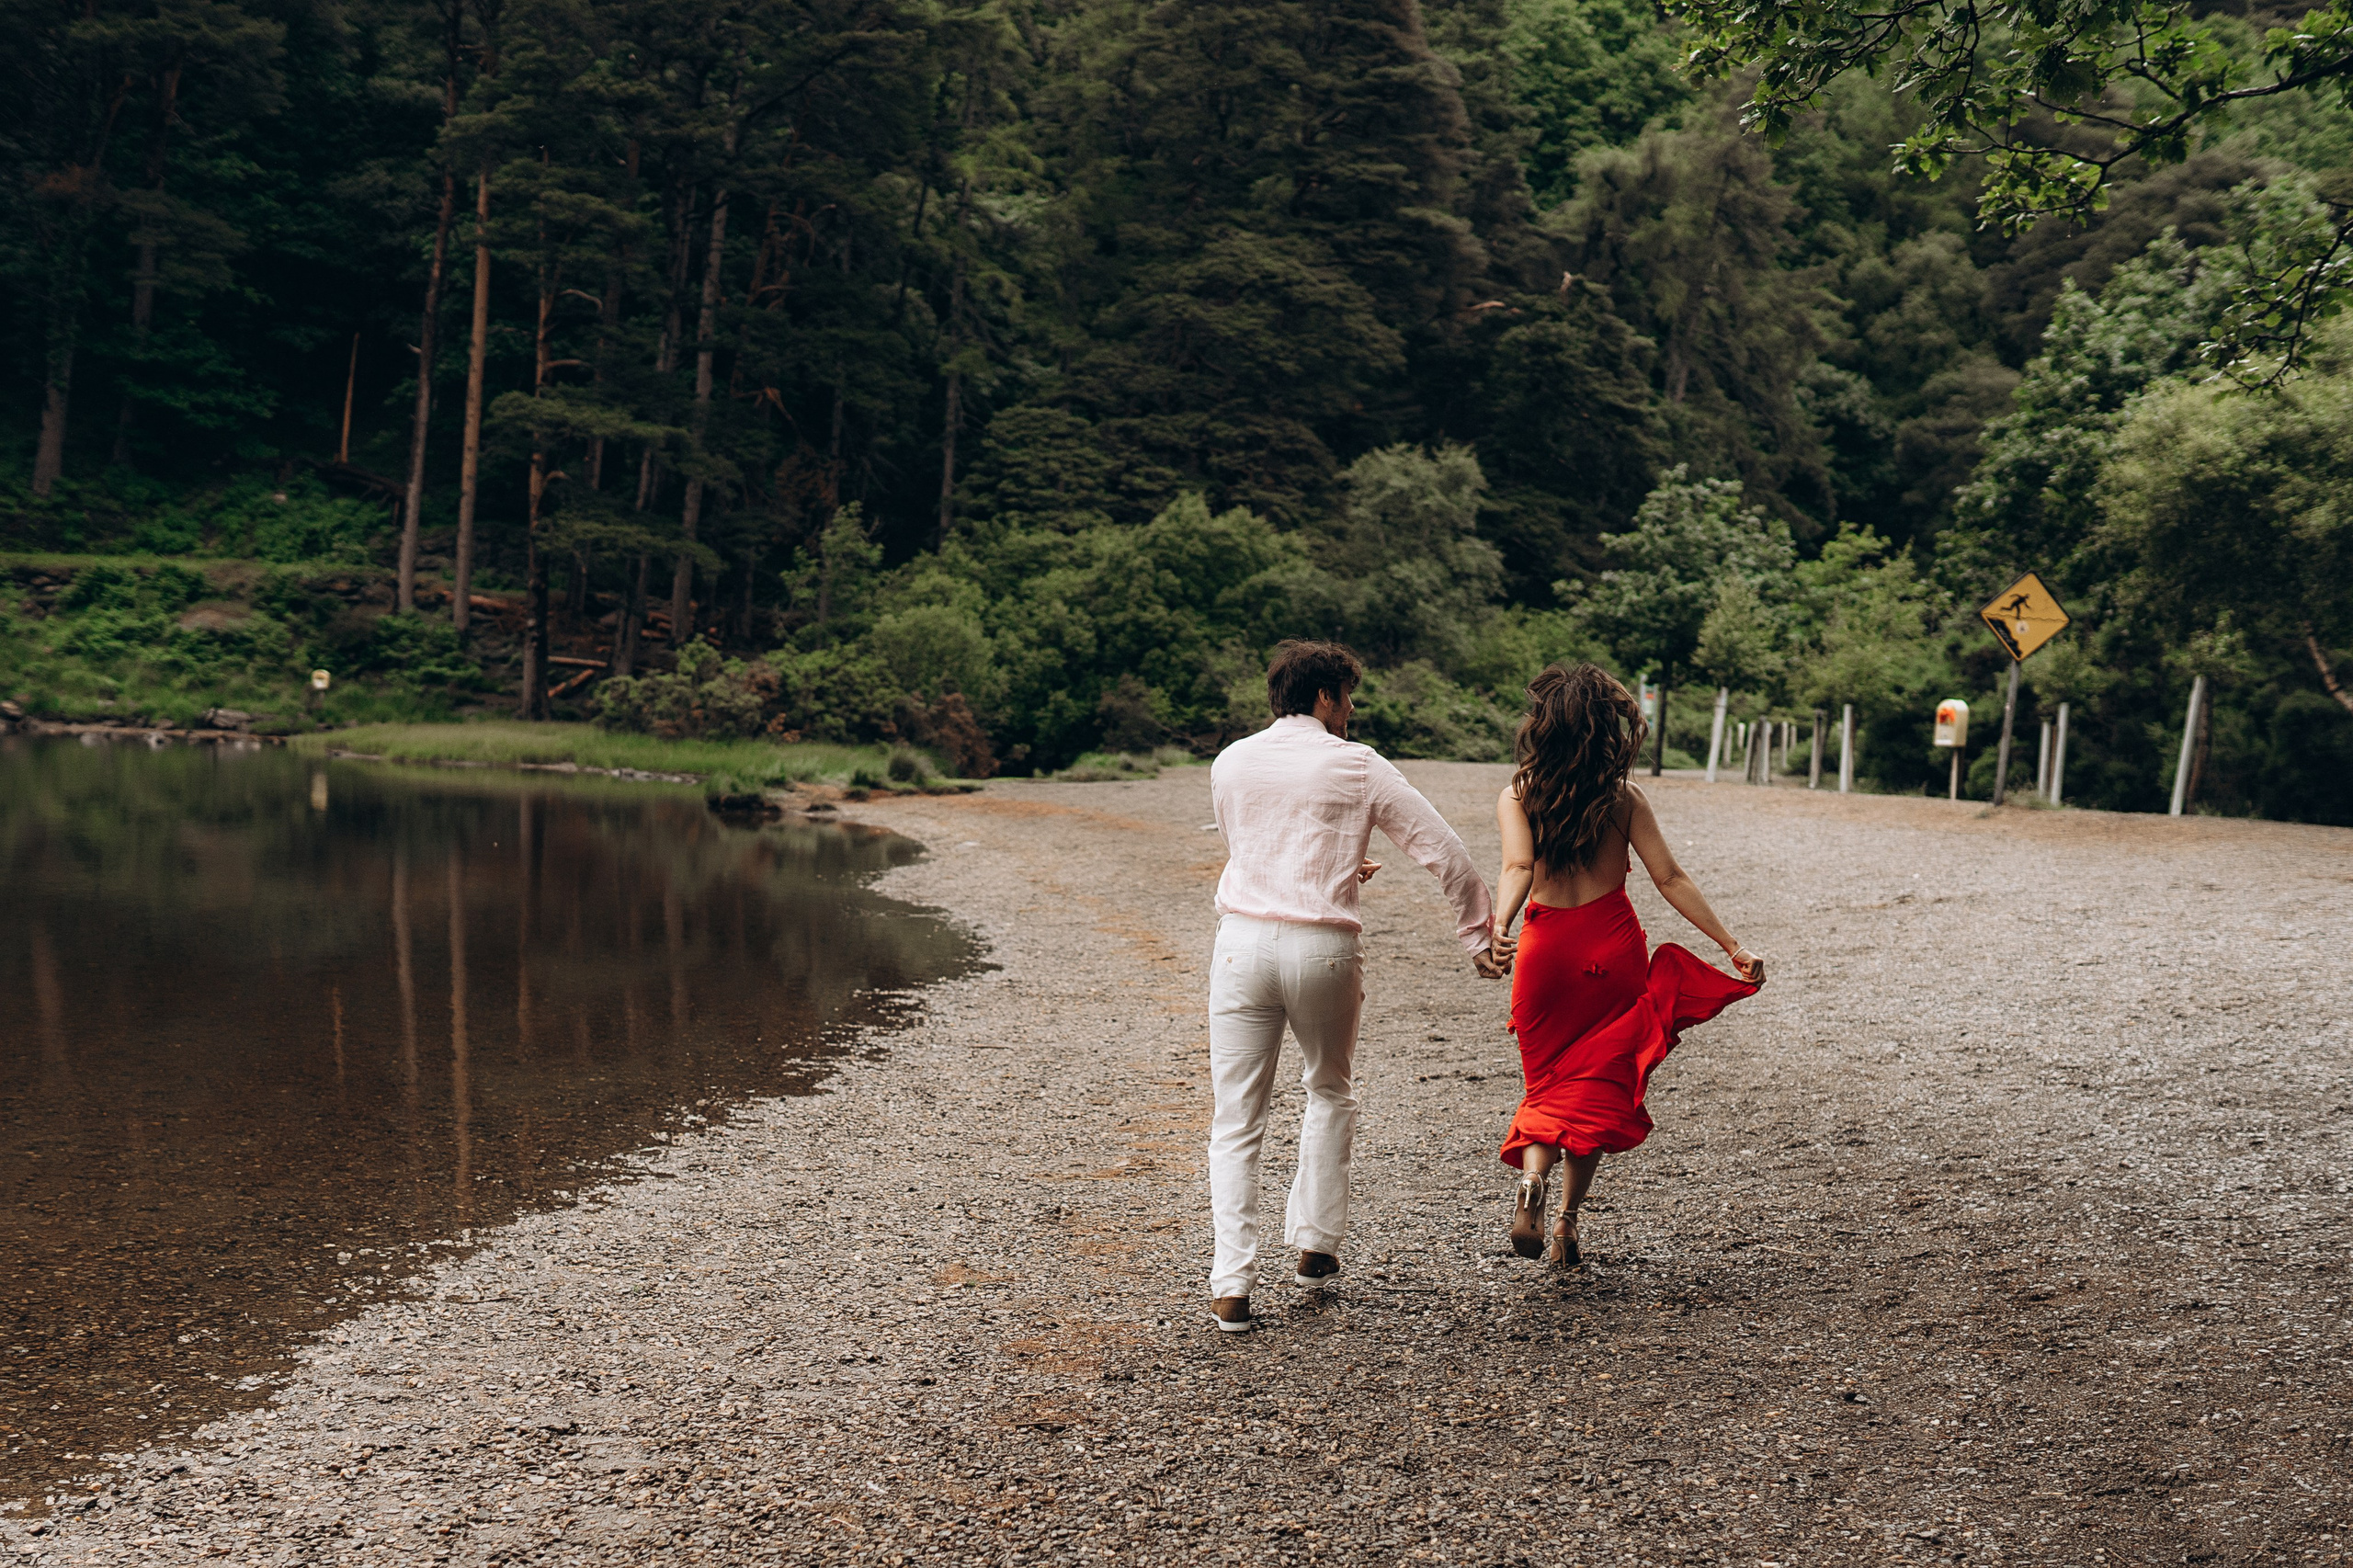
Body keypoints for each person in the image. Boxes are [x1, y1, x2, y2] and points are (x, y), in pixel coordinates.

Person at [1206, 640, 1505, 1333]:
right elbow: (1446, 853)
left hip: (1242, 945)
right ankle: (1314, 1243)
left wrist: (1339, 860)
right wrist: (1477, 933)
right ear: (1325, 697)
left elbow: (1250, 846)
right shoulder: (1357, 765)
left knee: (1235, 1120)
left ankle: (1231, 1287)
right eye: (1348, 695)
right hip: (1323, 950)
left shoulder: (1231, 761)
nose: (1353, 708)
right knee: (1329, 1088)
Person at [1491, 663, 1765, 1267]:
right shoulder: (1623, 798)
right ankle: (1564, 1224)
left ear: (1545, 727)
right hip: (1612, 953)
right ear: (1603, 730)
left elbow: (1517, 869)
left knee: (1548, 1087)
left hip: (1545, 954)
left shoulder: (1519, 794)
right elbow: (1669, 877)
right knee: (1594, 1090)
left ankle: (1532, 1180)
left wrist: (1500, 925)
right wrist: (1730, 944)